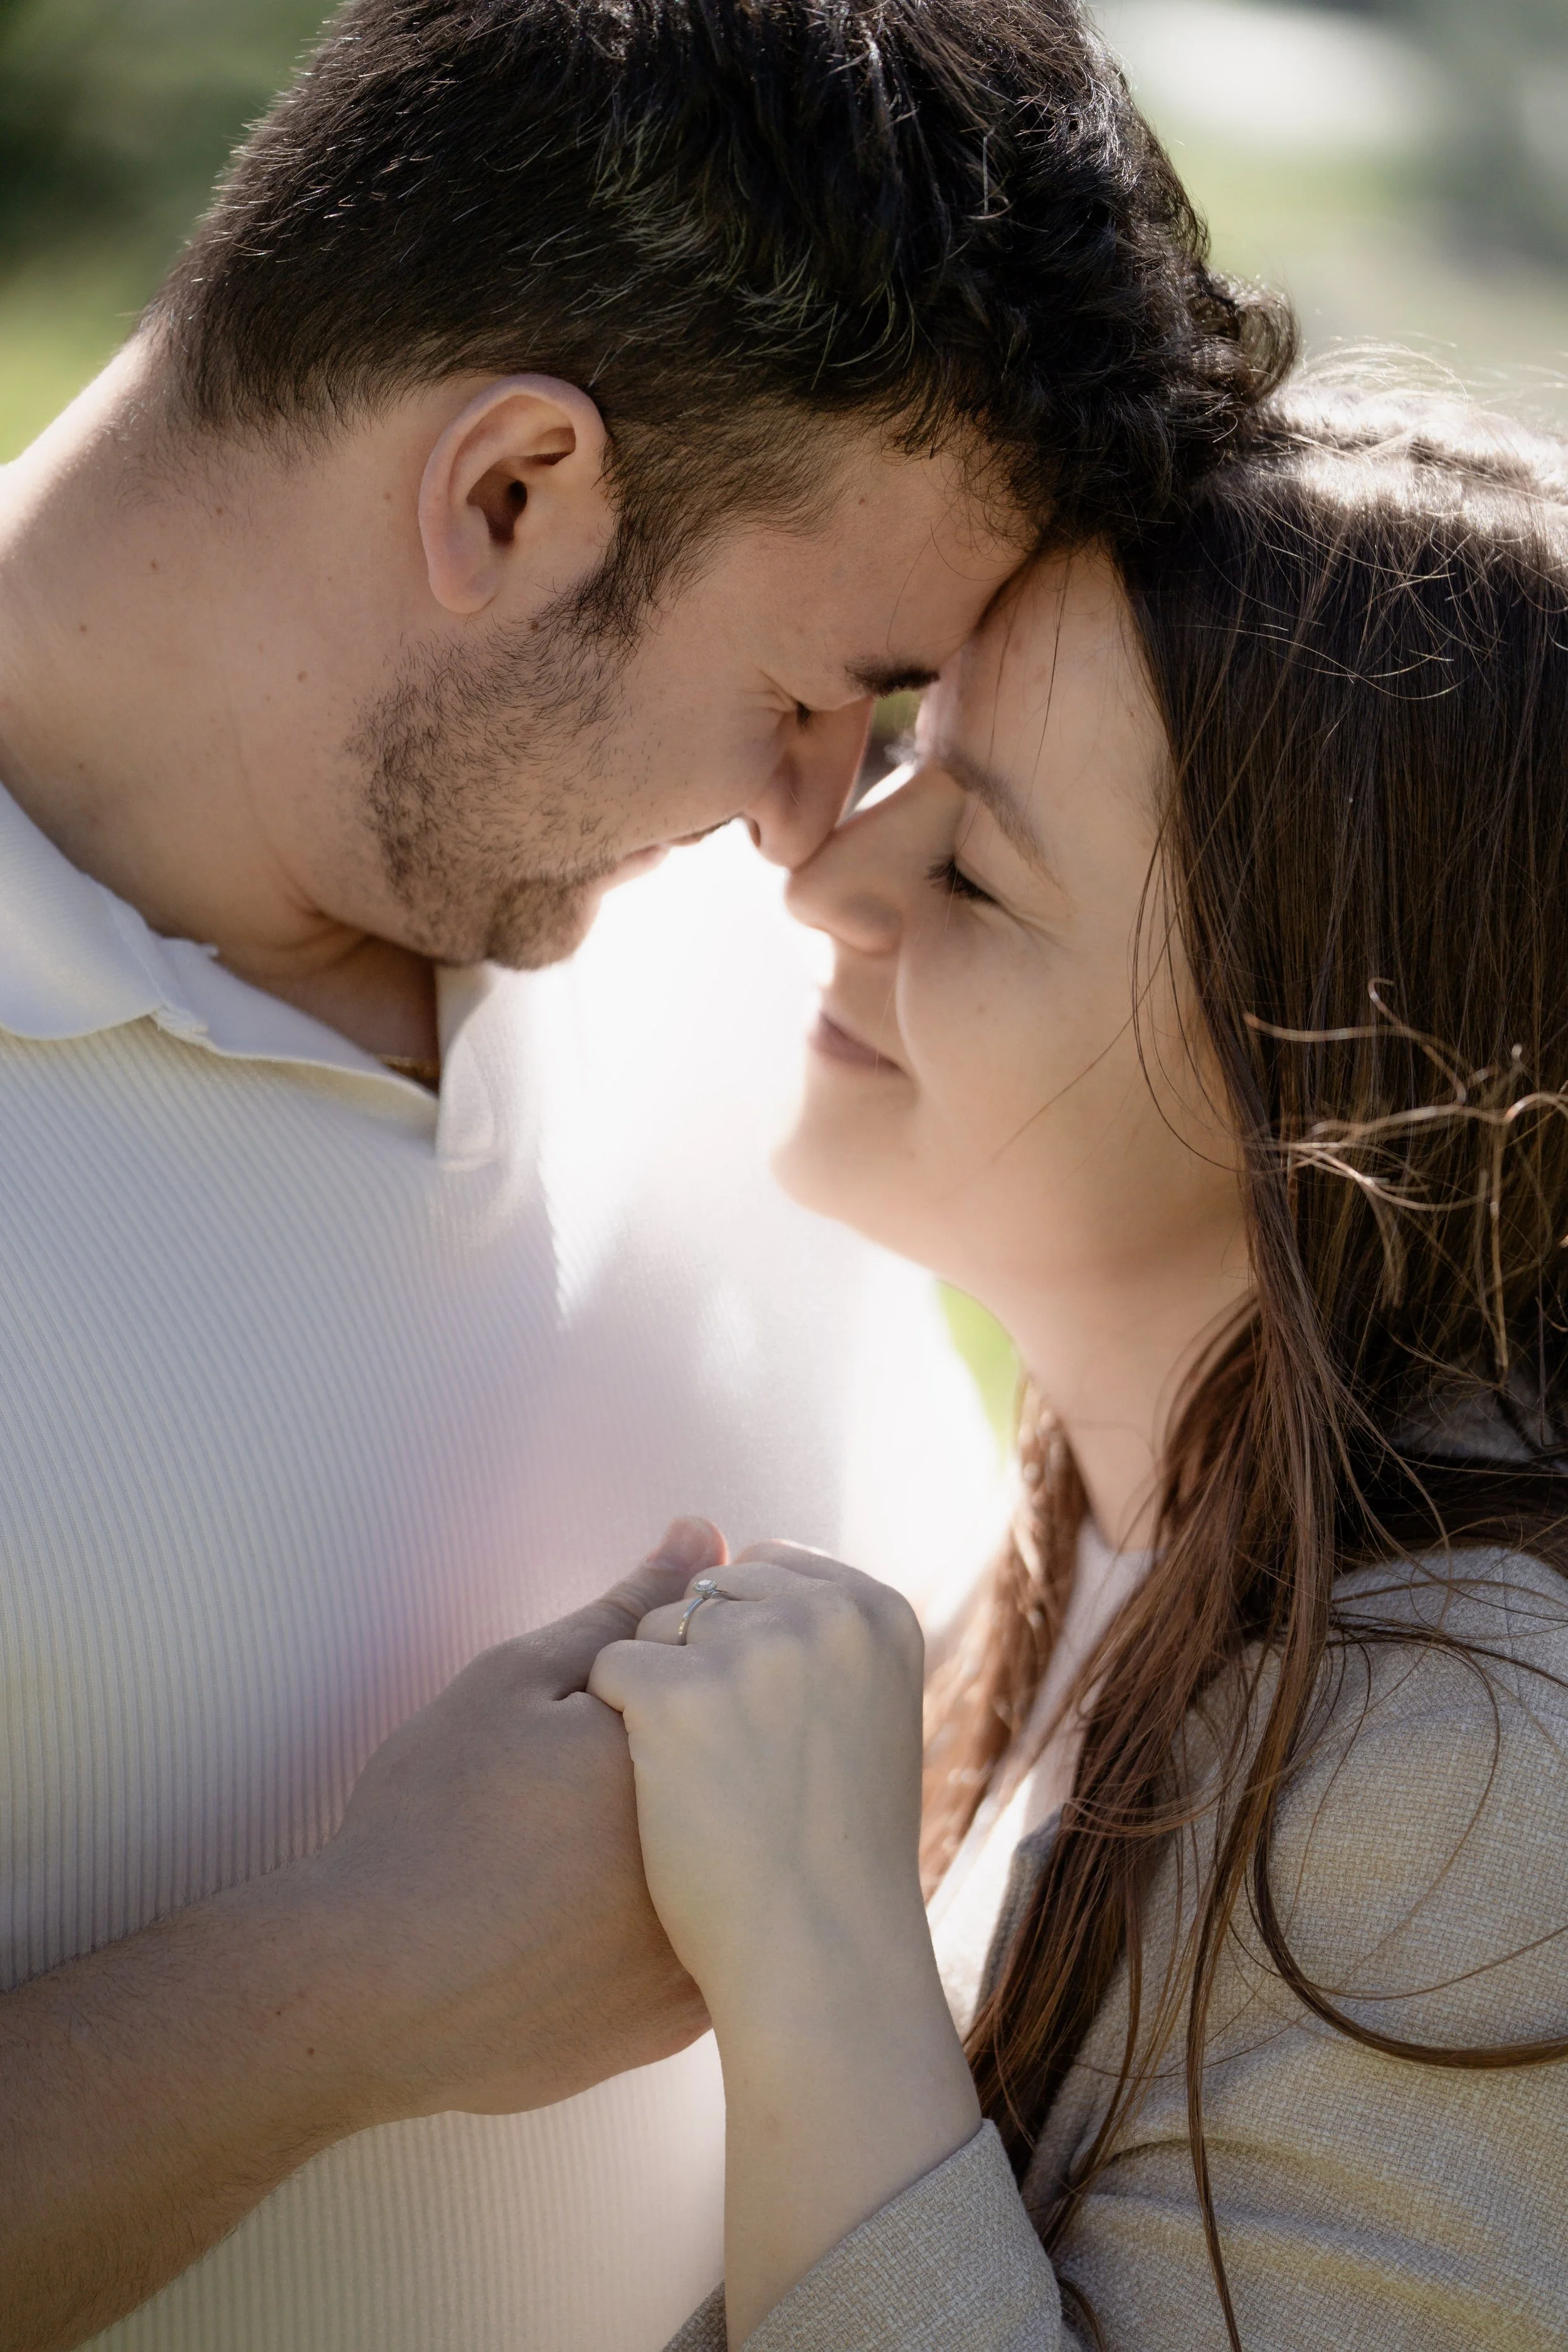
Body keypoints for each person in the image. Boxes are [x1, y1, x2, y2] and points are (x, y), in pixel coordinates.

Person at [0, 4, 1299, 2349]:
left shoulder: (755, 987)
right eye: (820, 694)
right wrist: (343, 1990)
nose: (822, 836)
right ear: (512, 492)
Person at [593, 382, 1568, 2351]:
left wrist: (815, 1958)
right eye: (910, 770)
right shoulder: (1099, 1542)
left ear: (1313, 1071)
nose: (827, 880)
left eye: (970, 873)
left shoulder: (1471, 1787)